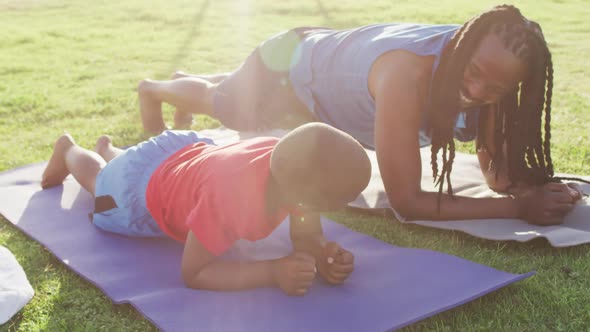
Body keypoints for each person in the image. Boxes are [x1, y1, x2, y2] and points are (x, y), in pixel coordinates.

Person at [137, 4, 587, 226]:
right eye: (472, 76)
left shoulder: (491, 84)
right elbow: (407, 202)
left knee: (229, 91)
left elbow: (496, 173)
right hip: (291, 68)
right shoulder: (405, 78)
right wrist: (515, 210)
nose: (476, 93)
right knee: (225, 105)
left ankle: (202, 80)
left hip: (330, 62)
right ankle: (157, 88)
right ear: (460, 50)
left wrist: (528, 188)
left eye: (495, 89)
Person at [40, 123, 372, 296]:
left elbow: (306, 231)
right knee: (102, 184)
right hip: (144, 192)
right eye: (334, 202)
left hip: (182, 157)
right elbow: (195, 273)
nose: (341, 207)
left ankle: (111, 149)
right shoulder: (228, 198)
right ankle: (69, 149)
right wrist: (273, 272)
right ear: (305, 194)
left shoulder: (291, 172)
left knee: (131, 163)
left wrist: (320, 252)